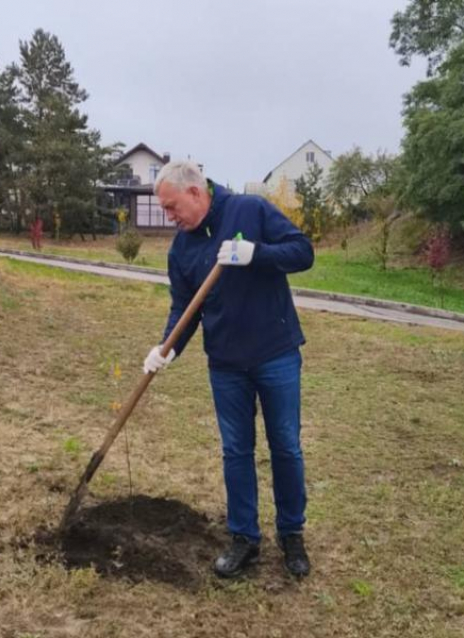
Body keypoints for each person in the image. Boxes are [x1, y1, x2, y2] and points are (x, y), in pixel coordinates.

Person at [143, 161, 314, 578]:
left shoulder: (250, 211)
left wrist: (257, 254)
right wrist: (167, 349)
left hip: (276, 353)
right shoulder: (181, 249)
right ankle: (244, 539)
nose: (169, 217)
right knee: (236, 451)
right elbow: (185, 307)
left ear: (196, 193)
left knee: (285, 446)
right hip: (226, 365)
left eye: (171, 207)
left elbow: (303, 253)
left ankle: (291, 534)